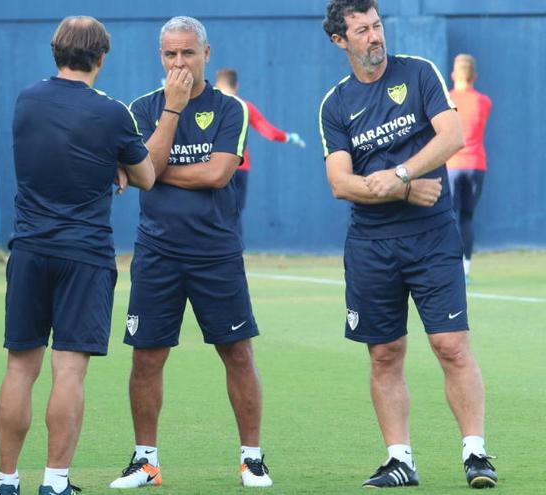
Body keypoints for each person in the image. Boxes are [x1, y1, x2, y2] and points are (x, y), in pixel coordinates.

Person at [319, 0, 497, 488]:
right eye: (362, 30)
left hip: (432, 236)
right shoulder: (335, 105)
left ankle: (476, 454)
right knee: (385, 354)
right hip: (371, 245)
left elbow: (451, 136)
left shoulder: (419, 74)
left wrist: (399, 172)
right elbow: (340, 182)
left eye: (377, 26)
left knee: (451, 345)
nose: (374, 36)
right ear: (341, 41)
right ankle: (400, 460)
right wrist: (404, 189)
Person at [0, 16, 155, 495]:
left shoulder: (26, 99)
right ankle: (55, 481)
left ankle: (6, 483)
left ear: (55, 52)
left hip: (29, 248)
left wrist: (110, 165)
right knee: (69, 370)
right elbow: (145, 175)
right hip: (83, 253)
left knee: (20, 367)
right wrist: (116, 167)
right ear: (101, 58)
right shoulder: (113, 114)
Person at [110, 16, 272, 490]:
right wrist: (172, 112)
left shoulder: (230, 109)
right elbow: (147, 169)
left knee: (238, 354)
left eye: (187, 53)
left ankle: (252, 459)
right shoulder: (141, 109)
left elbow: (217, 174)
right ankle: (146, 462)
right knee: (146, 358)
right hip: (157, 253)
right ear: (159, 57)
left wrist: (151, 172)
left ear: (206, 52)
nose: (178, 62)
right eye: (169, 54)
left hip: (216, 253)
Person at [214, 68, 306, 215]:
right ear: (237, 86)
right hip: (240, 166)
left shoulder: (210, 107)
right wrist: (290, 138)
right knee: (234, 216)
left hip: (216, 167)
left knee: (215, 216)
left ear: (217, 85)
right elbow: (269, 133)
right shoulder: (245, 107)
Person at [446, 54, 492, 281]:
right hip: (476, 165)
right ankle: (465, 270)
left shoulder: (447, 100)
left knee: (450, 216)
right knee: (467, 217)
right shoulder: (484, 101)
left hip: (452, 164)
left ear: (454, 75)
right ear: (475, 76)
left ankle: (451, 268)